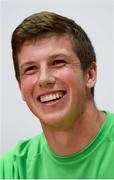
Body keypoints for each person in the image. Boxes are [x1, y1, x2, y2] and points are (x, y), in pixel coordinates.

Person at [0, 11, 114, 179]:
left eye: (58, 62)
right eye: (30, 69)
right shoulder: (12, 169)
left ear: (90, 74)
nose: (44, 79)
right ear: (21, 88)